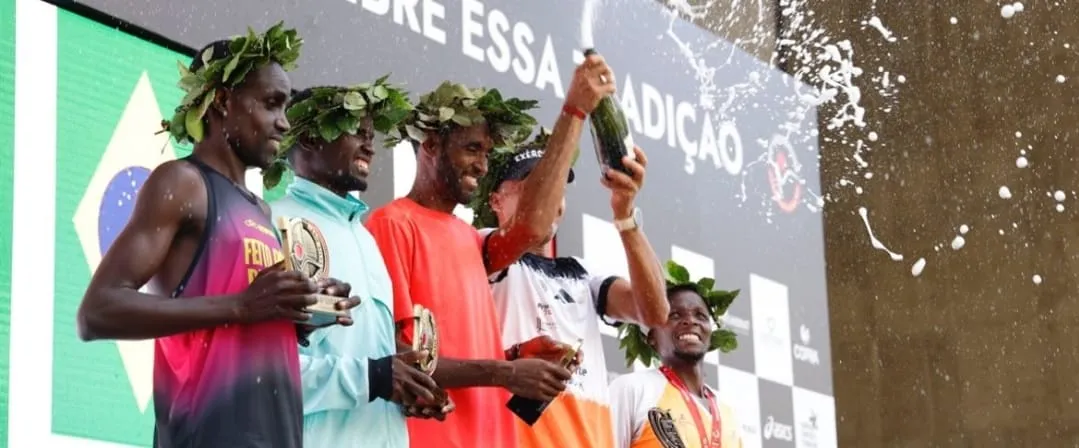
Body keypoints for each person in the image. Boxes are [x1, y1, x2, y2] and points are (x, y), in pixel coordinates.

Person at [75, 24, 358, 448]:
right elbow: (96, 312)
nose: (284, 123)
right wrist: (242, 306)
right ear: (223, 102)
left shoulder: (261, 209)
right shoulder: (183, 183)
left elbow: (244, 317)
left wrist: (301, 309)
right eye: (271, 104)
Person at [367, 53, 617, 448]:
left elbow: (535, 227)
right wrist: (506, 373)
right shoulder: (391, 224)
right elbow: (404, 360)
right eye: (472, 149)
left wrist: (515, 355)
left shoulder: (470, 238)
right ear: (430, 145)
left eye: (486, 153)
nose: (482, 166)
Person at [265, 81, 451, 448]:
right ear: (309, 140)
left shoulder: (365, 239)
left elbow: (374, 369)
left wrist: (408, 388)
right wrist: (374, 378)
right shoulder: (270, 222)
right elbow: (262, 376)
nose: (370, 145)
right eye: (355, 132)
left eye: (371, 134)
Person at [470, 127, 669, 447]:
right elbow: (530, 225)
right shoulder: (481, 247)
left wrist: (625, 214)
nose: (549, 197)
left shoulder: (584, 272)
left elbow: (656, 312)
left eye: (555, 187)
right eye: (533, 186)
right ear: (496, 200)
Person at [609, 260, 743, 448]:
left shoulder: (728, 411)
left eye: (700, 316)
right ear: (651, 337)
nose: (690, 321)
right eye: (675, 315)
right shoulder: (632, 390)